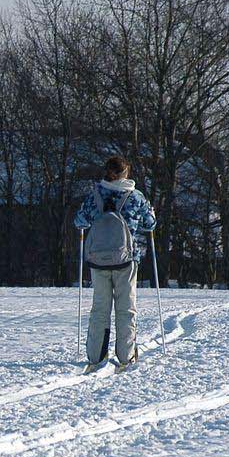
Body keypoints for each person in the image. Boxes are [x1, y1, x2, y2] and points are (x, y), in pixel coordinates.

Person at [74, 155, 157, 371]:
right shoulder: (135, 196)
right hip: (126, 261)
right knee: (126, 308)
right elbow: (150, 224)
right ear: (125, 173)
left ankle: (96, 355)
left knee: (100, 308)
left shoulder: (96, 195)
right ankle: (126, 355)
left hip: (98, 261)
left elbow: (80, 221)